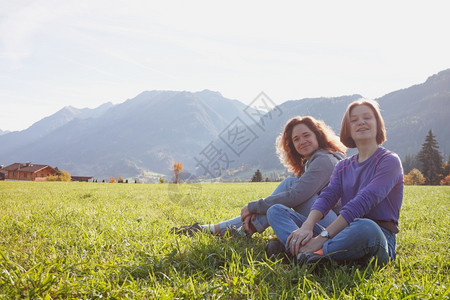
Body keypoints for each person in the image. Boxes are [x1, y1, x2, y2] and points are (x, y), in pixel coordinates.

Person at [267, 99, 404, 266]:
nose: (361, 122)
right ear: (348, 129)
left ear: (377, 124)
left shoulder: (389, 161)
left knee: (366, 226)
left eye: (367, 117)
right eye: (354, 120)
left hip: (377, 236)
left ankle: (306, 252)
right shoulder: (343, 165)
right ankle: (310, 255)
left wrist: (321, 237)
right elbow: (327, 197)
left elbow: (364, 201)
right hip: (343, 232)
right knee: (276, 211)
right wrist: (307, 226)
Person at [171, 116, 346, 238]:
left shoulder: (323, 160)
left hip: (336, 228)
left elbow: (296, 197)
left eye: (306, 135)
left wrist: (254, 207)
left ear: (318, 135)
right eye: (296, 139)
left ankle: (220, 230)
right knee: (291, 184)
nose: (302, 142)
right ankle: (229, 231)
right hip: (327, 221)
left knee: (291, 186)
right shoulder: (318, 159)